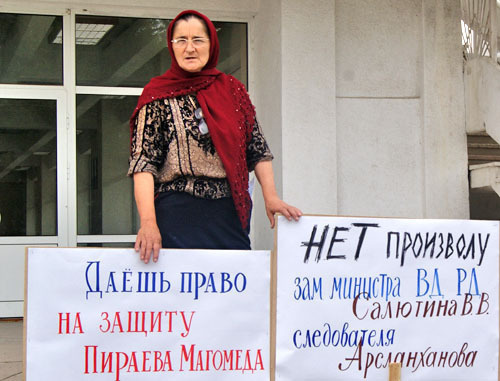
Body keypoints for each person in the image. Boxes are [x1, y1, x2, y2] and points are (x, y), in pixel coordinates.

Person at [128, 10, 301, 264]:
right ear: (171, 46)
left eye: (198, 40)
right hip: (177, 214)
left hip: (228, 213)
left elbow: (257, 149)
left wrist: (271, 196)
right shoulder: (157, 96)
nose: (190, 48)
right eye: (181, 40)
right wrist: (148, 223)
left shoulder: (232, 90)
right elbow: (143, 164)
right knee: (183, 295)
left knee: (234, 292)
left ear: (211, 45)